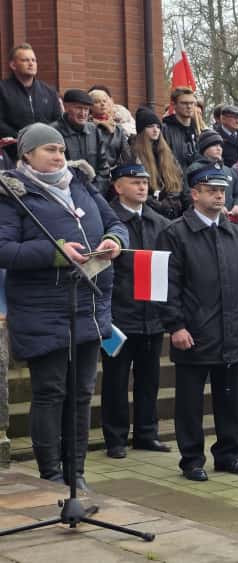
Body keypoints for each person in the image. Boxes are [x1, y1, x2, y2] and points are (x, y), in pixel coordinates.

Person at [0, 123, 127, 491]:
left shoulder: (81, 184)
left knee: (82, 393)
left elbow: (116, 221)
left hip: (88, 303)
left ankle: (77, 473)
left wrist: (113, 240)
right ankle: (51, 476)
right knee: (51, 392)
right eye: (49, 150)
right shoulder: (12, 193)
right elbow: (5, 248)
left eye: (60, 150)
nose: (59, 156)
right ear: (26, 154)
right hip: (43, 309)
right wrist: (56, 252)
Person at [156, 161, 238, 481]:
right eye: (212, 191)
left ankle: (229, 454)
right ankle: (191, 459)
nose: (219, 197)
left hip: (231, 329)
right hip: (194, 331)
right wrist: (175, 325)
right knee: (190, 402)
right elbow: (168, 286)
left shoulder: (235, 233)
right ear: (195, 194)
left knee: (230, 398)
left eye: (222, 191)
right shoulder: (176, 233)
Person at [102, 162, 172, 459]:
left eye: (144, 181)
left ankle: (146, 432)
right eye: (134, 182)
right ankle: (115, 438)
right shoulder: (108, 221)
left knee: (149, 378)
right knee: (116, 379)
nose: (142, 186)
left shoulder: (159, 223)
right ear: (118, 187)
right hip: (119, 315)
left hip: (151, 315)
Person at [0, 44, 62, 160]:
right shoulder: (3, 90)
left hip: (44, 154)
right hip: (12, 154)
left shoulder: (49, 92)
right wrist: (24, 137)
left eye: (34, 60)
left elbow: (58, 121)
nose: (31, 63)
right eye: (25, 60)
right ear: (13, 65)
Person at [128, 108, 189, 220]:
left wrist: (170, 203)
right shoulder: (132, 154)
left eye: (158, 127)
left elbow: (178, 179)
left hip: (173, 212)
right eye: (150, 126)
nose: (155, 130)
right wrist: (158, 205)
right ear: (141, 130)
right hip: (147, 214)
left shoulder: (167, 154)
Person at [50, 89, 111, 194]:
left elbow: (104, 168)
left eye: (86, 109)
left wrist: (96, 190)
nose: (83, 113)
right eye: (78, 108)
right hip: (66, 193)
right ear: (66, 107)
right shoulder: (53, 132)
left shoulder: (94, 131)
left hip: (95, 191)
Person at [186, 129, 238, 216]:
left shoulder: (229, 171)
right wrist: (214, 207)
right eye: (214, 145)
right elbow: (188, 195)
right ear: (204, 148)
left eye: (220, 146)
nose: (219, 149)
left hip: (228, 222)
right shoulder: (194, 169)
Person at [87, 86, 129, 167]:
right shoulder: (87, 127)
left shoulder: (118, 128)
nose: (102, 104)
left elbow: (126, 155)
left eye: (104, 101)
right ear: (90, 106)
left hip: (115, 172)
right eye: (97, 101)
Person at [162, 87, 202, 169]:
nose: (189, 106)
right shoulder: (164, 130)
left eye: (192, 103)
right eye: (184, 103)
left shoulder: (199, 130)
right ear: (174, 105)